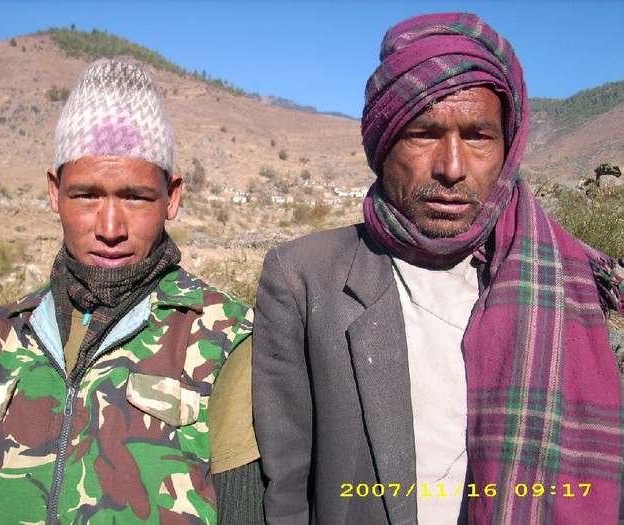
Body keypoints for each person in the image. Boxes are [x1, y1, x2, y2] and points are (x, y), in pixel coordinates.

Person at [252, 12, 624, 525]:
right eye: (423, 134)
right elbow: (286, 489)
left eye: (478, 136)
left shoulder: (566, 279)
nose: (452, 167)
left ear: (508, 147)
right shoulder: (305, 278)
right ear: (382, 145)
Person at [0, 58, 264, 524]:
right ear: (54, 192)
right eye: (86, 195)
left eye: (135, 197)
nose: (110, 228)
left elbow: (243, 509)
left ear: (172, 196)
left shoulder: (225, 335)